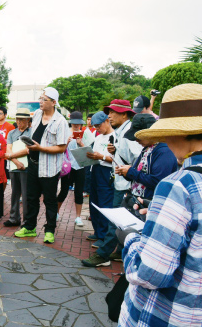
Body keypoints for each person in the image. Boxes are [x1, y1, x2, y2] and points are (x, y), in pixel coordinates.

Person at [116, 83, 202, 326]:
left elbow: (151, 272)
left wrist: (132, 238)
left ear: (177, 132)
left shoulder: (178, 185)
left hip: (168, 314)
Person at [83, 113, 177, 268]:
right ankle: (117, 252)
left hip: (147, 202)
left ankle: (103, 254)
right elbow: (139, 173)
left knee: (118, 226)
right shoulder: (149, 148)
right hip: (136, 197)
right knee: (119, 225)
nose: (136, 141)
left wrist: (131, 172)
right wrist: (127, 172)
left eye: (138, 137)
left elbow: (157, 181)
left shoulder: (163, 151)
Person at [14, 87, 69, 244]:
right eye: (40, 98)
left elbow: (62, 147)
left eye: (44, 99)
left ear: (53, 102)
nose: (40, 102)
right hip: (33, 164)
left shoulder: (60, 122)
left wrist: (40, 148)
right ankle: (30, 226)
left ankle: (49, 230)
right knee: (31, 197)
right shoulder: (37, 115)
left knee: (50, 200)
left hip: (50, 167)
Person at [94, 100, 142, 253]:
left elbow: (138, 158)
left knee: (115, 220)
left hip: (127, 184)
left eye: (112, 112)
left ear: (123, 114)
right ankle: (121, 251)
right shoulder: (119, 132)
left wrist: (129, 171)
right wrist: (115, 151)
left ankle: (104, 254)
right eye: (109, 113)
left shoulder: (129, 132)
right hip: (121, 182)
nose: (109, 116)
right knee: (123, 219)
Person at [82, 112, 115, 251]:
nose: (97, 128)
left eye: (99, 125)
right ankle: (97, 231)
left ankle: (103, 237)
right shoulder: (99, 137)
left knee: (104, 203)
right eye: (95, 126)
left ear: (107, 121)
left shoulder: (115, 137)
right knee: (94, 202)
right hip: (95, 169)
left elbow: (117, 159)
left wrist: (102, 157)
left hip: (106, 171)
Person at [56, 111, 86, 227]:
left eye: (78, 123)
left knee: (79, 192)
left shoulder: (86, 134)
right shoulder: (66, 133)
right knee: (63, 191)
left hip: (80, 166)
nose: (76, 125)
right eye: (74, 123)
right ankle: (57, 212)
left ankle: (78, 217)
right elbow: (61, 151)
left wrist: (81, 144)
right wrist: (67, 143)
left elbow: (89, 152)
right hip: (68, 167)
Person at [3, 108, 31, 227]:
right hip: (14, 166)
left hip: (27, 167)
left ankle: (27, 220)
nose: (19, 122)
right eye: (17, 119)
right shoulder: (12, 133)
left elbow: (29, 149)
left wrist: (11, 156)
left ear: (27, 120)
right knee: (14, 193)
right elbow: (8, 148)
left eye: (22, 119)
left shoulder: (32, 132)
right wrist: (15, 161)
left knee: (26, 194)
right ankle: (14, 218)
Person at [82, 113, 96, 197]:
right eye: (88, 119)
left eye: (91, 120)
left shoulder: (97, 131)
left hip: (94, 154)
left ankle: (89, 189)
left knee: (91, 173)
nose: (89, 121)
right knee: (85, 172)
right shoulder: (83, 129)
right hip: (85, 153)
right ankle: (85, 189)